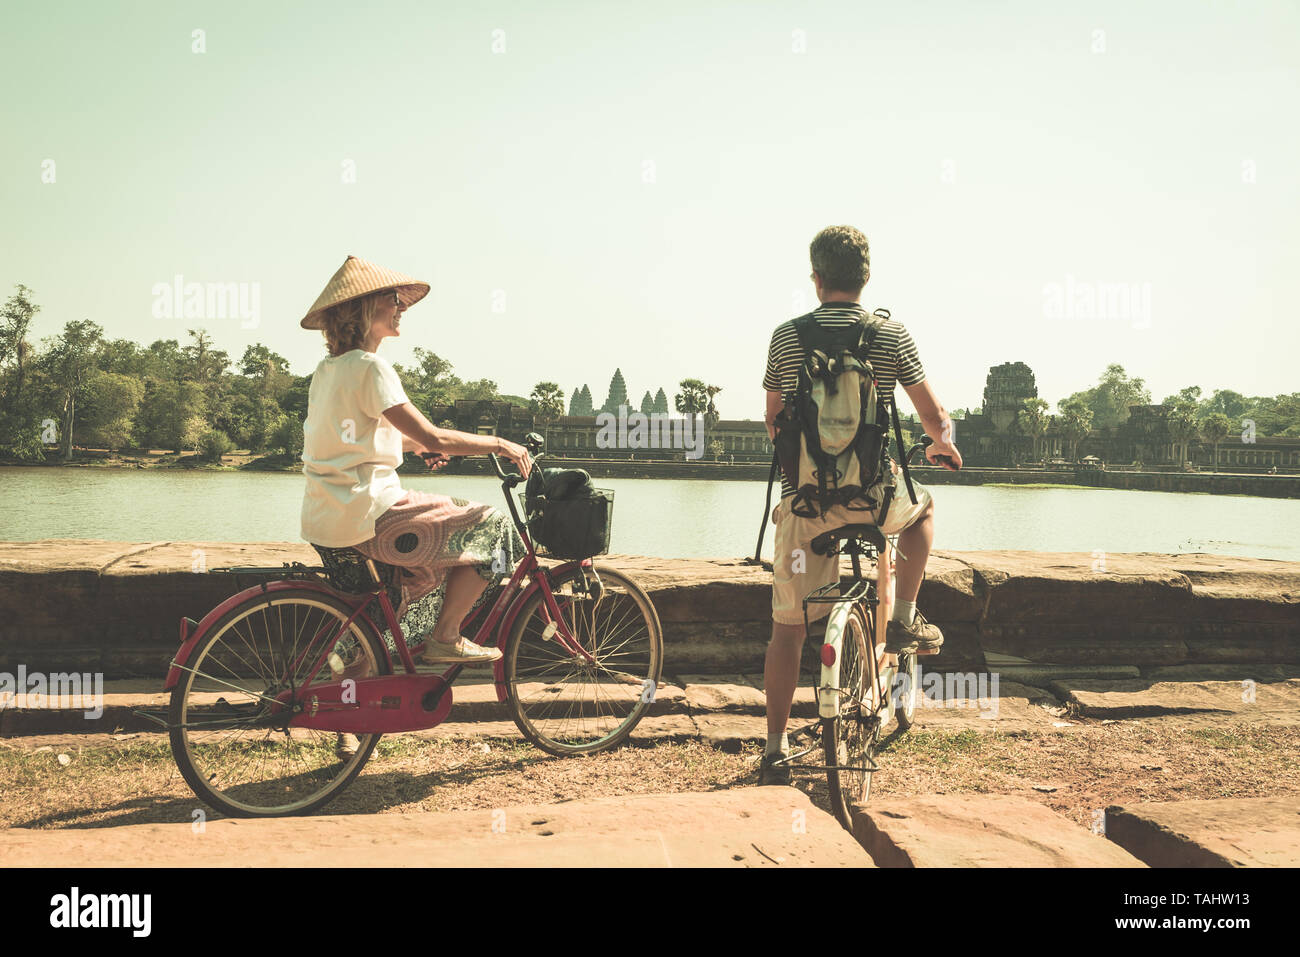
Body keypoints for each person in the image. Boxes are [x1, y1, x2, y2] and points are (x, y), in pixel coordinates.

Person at [297, 256, 532, 756]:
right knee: (492, 527)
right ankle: (447, 635)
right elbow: (427, 431)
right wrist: (500, 445)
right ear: (363, 310)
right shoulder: (371, 366)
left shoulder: (328, 370)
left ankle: (345, 721)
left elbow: (353, 441)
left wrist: (416, 448)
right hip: (369, 513)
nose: (401, 307)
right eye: (392, 300)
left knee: (381, 615)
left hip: (326, 518)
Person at [758, 226, 962, 785]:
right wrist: (942, 443)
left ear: (816, 278)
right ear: (866, 277)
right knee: (923, 514)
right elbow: (931, 412)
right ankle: (899, 620)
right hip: (873, 500)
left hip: (805, 505)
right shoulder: (891, 336)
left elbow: (774, 420)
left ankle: (775, 749)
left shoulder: (786, 337)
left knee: (787, 630)